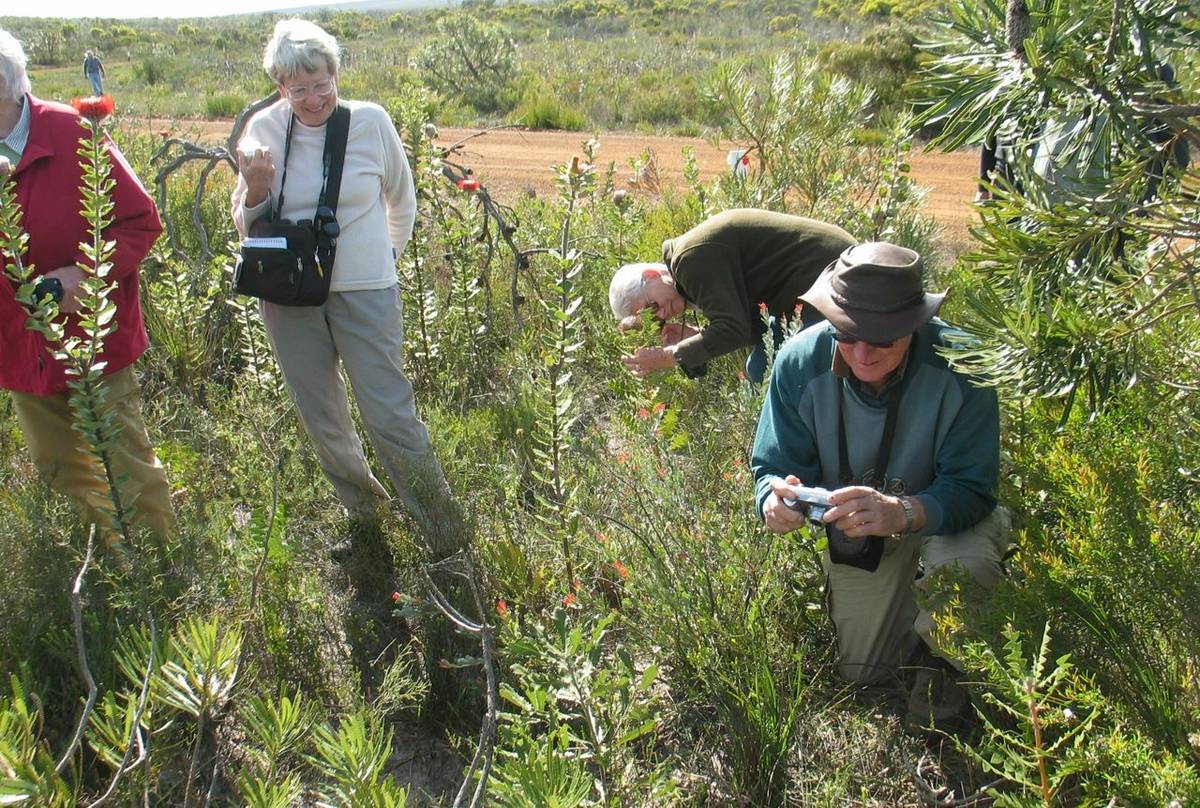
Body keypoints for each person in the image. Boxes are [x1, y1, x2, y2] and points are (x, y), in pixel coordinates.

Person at [751, 241, 1010, 734]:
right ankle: (919, 627)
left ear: (914, 326)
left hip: (947, 522)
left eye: (882, 339)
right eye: (848, 335)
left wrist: (903, 512)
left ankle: (945, 661)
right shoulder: (798, 362)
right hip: (864, 533)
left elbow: (972, 490)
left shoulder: (965, 368)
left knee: (964, 566)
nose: (863, 353)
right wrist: (774, 499)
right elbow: (772, 465)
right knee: (864, 671)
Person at [231, 19, 466, 559]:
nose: (313, 98)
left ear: (337, 74)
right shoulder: (262, 131)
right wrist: (257, 191)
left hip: (367, 291)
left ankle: (443, 530)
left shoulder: (370, 123)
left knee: (389, 413)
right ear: (279, 86)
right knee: (322, 414)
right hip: (289, 297)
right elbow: (248, 228)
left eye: (322, 83)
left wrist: (383, 259)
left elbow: (401, 202)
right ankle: (366, 518)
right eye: (299, 88)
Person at [0, 27, 173, 543]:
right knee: (59, 467)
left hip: (92, 340)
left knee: (126, 467)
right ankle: (100, 579)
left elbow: (141, 221)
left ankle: (156, 577)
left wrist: (85, 275)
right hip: (18, 345)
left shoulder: (73, 130)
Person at [608, 208, 856, 382]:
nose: (662, 313)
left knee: (770, 372)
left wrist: (669, 356)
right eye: (656, 318)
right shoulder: (687, 277)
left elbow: (733, 330)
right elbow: (752, 327)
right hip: (814, 281)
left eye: (653, 306)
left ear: (652, 275)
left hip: (830, 272)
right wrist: (697, 337)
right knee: (761, 368)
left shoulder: (689, 262)